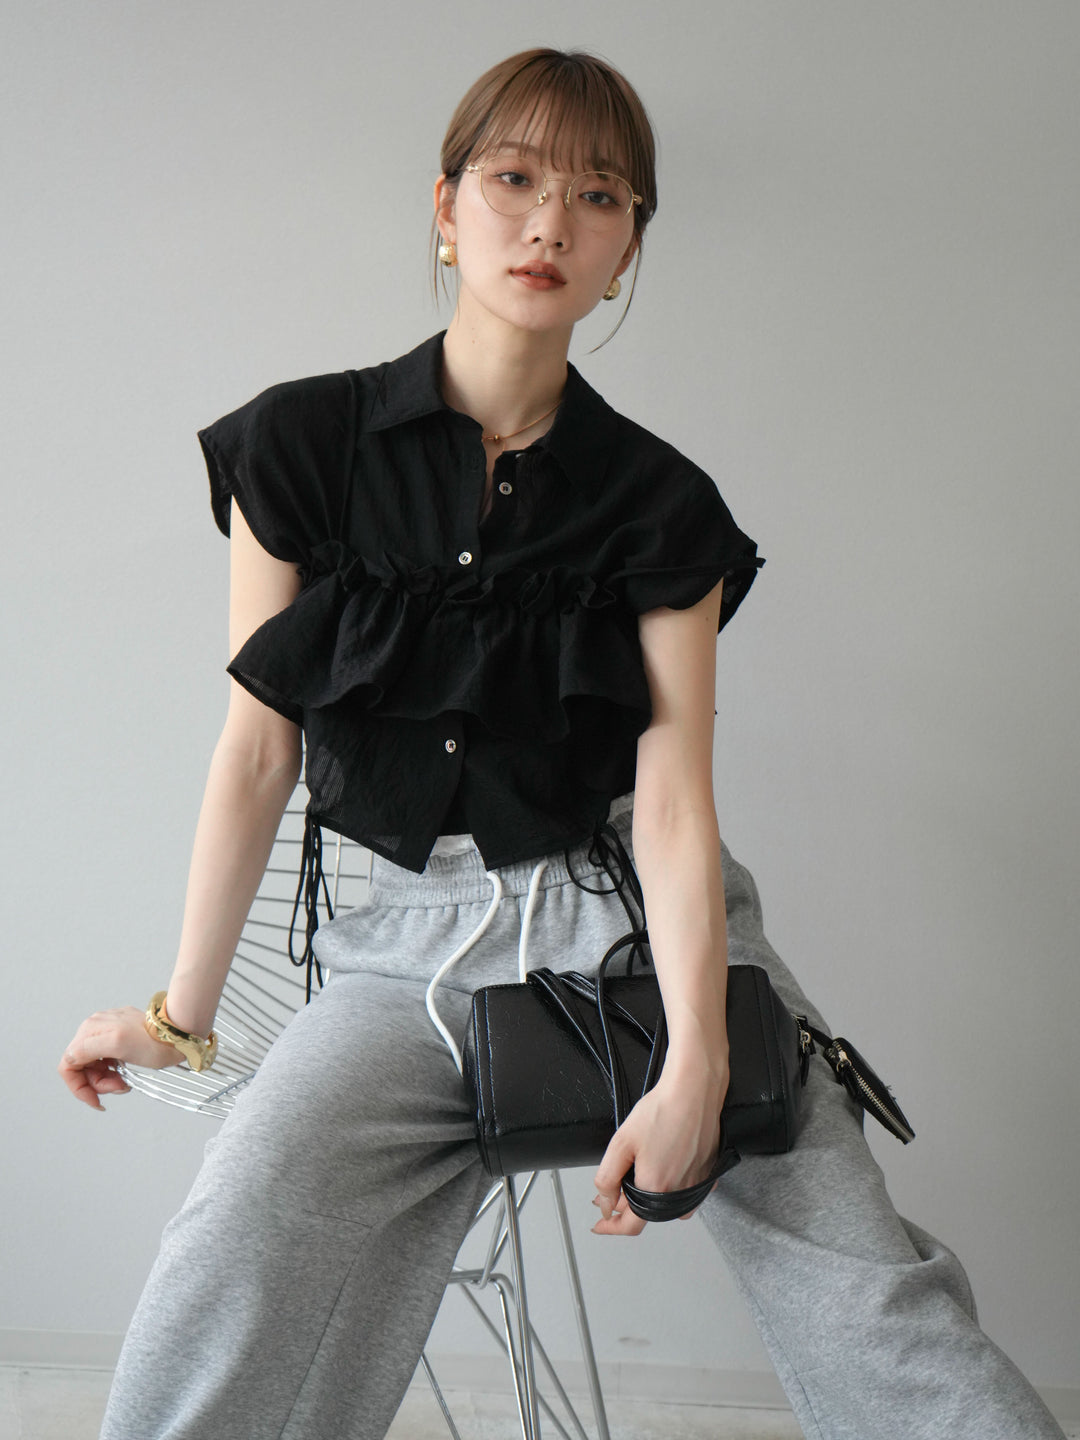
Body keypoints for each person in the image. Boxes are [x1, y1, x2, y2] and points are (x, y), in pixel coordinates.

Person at [59, 47, 1064, 1440]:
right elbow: (256, 754)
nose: (549, 224)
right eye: (514, 180)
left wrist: (698, 1061)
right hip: (398, 963)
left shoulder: (662, 507)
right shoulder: (300, 448)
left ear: (628, 245)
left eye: (598, 197)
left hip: (636, 940)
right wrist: (179, 1020)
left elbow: (675, 803)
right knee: (227, 1262)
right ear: (445, 206)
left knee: (874, 1303)